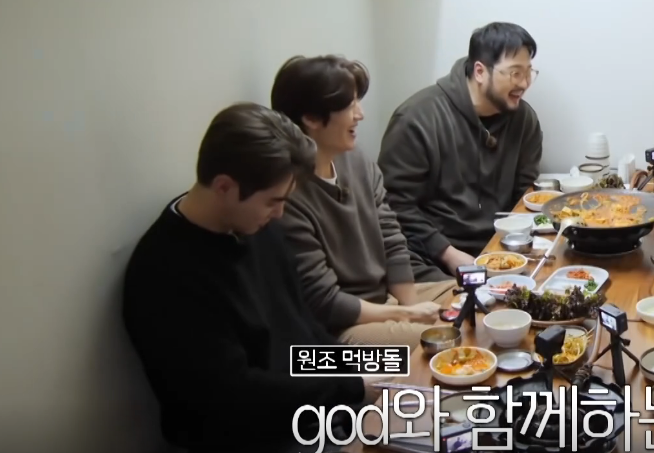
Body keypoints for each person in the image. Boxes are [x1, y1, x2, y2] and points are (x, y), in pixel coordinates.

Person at [122, 103, 390, 453]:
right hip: (257, 435)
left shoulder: (256, 227)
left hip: (312, 401)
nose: (279, 213)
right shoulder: (166, 274)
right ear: (224, 186)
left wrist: (370, 367)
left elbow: (300, 329)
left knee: (422, 372)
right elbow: (232, 397)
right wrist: (350, 386)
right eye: (272, 202)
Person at [271, 55, 454, 347]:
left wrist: (412, 309)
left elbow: (391, 238)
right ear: (311, 118)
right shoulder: (287, 196)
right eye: (350, 105)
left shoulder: (356, 160)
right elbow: (325, 301)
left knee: (487, 300)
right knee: (449, 342)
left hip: (390, 301)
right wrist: (406, 315)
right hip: (345, 330)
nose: (360, 114)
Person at [378, 22, 544, 273]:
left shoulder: (524, 119)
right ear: (480, 71)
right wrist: (447, 254)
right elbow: (395, 205)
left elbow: (524, 193)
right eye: (515, 73)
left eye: (529, 72)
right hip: (430, 258)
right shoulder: (417, 118)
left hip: (501, 249)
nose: (525, 83)